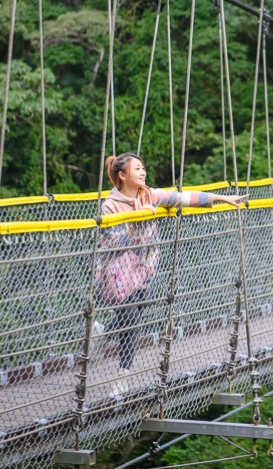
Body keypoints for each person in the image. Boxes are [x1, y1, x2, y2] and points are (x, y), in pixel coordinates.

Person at [94, 152, 246, 395]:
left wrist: (222, 198)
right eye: (137, 169)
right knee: (131, 319)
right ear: (122, 175)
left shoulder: (150, 195)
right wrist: (137, 223)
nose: (143, 172)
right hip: (118, 277)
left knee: (135, 312)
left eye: (143, 168)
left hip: (144, 273)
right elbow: (109, 243)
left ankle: (105, 334)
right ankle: (123, 377)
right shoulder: (110, 205)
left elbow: (183, 197)